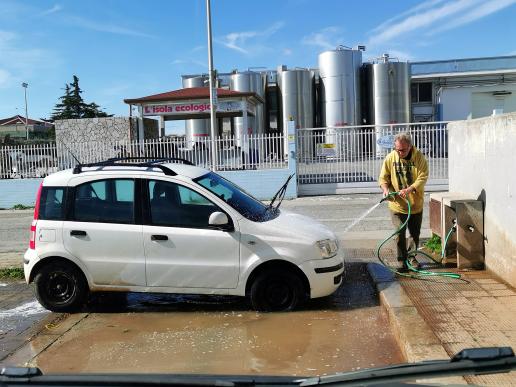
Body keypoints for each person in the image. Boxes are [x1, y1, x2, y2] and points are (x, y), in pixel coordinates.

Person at [379, 132, 428, 269]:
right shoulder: (390, 158)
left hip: (415, 204)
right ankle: (401, 260)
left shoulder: (419, 158)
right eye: (397, 149)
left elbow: (422, 177)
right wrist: (385, 189)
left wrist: (410, 189)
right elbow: (383, 178)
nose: (400, 152)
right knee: (399, 233)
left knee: (414, 234)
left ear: (410, 146)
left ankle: (412, 259)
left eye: (403, 150)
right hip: (397, 205)